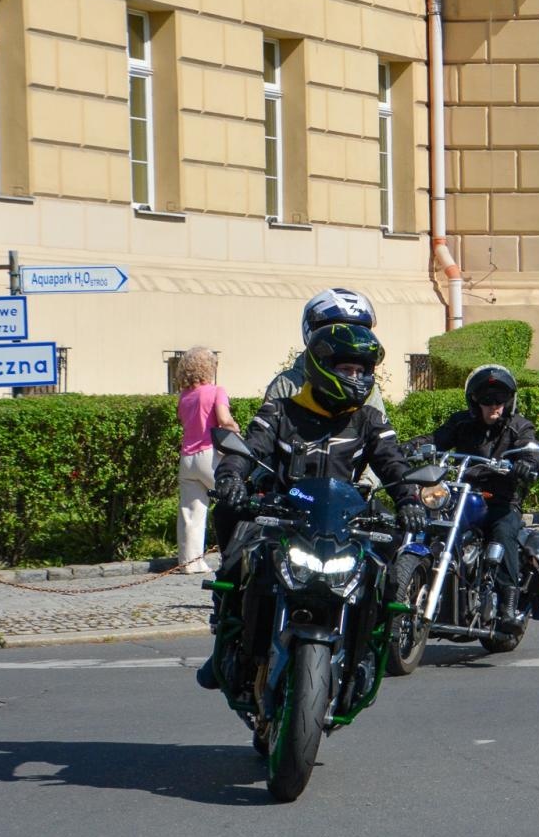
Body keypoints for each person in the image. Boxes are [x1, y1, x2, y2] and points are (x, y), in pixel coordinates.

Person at [201, 323, 420, 691]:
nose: (356, 377)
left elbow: (393, 463)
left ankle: (369, 648)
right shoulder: (282, 411)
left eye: (362, 371)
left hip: (344, 523)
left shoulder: (368, 419)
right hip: (286, 518)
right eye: (347, 369)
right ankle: (229, 633)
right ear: (320, 367)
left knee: (390, 564)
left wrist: (410, 499)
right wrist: (232, 477)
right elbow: (251, 447)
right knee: (238, 545)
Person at [419, 365, 539, 630]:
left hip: (502, 500)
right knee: (432, 528)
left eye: (499, 400)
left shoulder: (519, 426)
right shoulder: (461, 423)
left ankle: (508, 607)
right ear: (475, 402)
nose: (494, 406)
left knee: (503, 533)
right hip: (466, 496)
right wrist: (408, 447)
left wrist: (527, 464)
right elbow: (436, 438)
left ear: (509, 401)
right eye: (487, 400)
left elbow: (532, 451)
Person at [266, 288, 386, 415]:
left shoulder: (366, 387)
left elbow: (379, 429)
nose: (350, 338)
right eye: (340, 332)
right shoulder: (288, 383)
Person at [175, 347, 239, 575]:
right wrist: (237, 429)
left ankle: (190, 563)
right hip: (210, 455)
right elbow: (223, 420)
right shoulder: (215, 391)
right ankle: (235, 555)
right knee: (235, 500)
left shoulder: (183, 396)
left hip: (187, 458)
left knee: (191, 512)